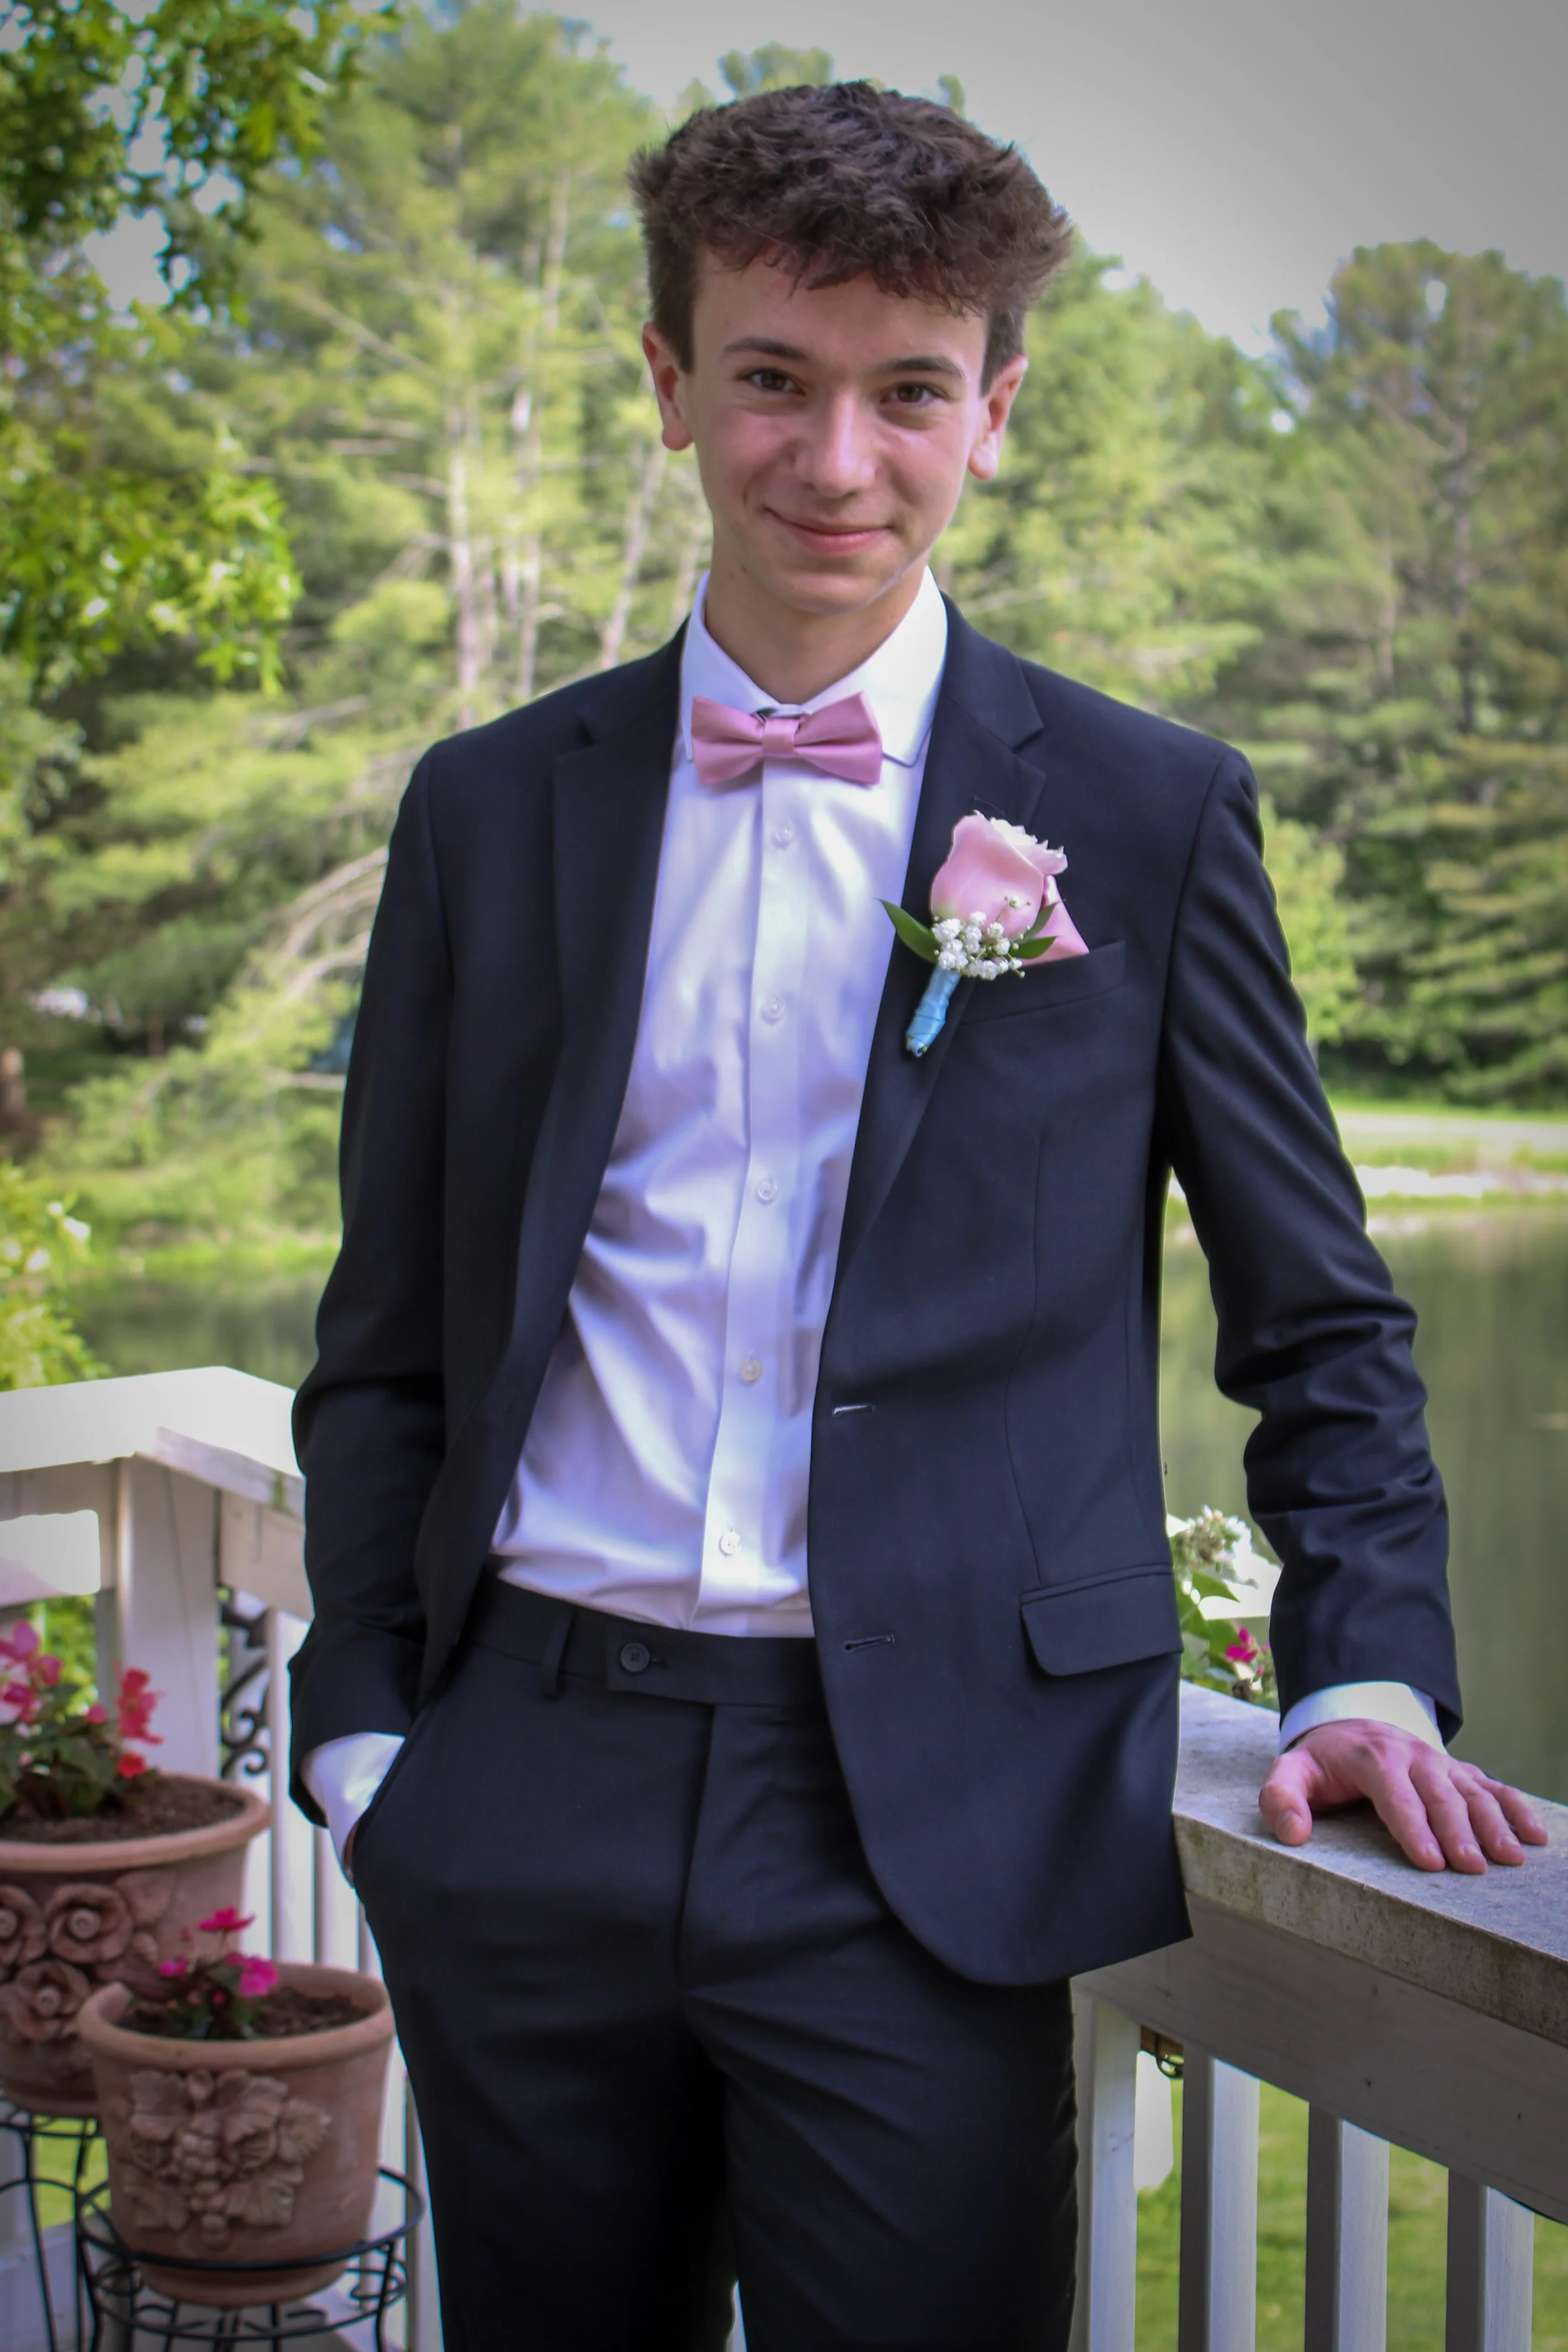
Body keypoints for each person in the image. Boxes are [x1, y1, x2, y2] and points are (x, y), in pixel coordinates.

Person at [288, 82, 1544, 2352]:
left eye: (905, 392)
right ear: (670, 387)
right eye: (770, 377)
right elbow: (383, 1332)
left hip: (932, 1821)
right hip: (521, 1776)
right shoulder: (484, 811)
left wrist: (1364, 1662)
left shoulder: (1148, 818)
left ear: (997, 407)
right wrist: (372, 1737)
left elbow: (1322, 1325)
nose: (835, 462)